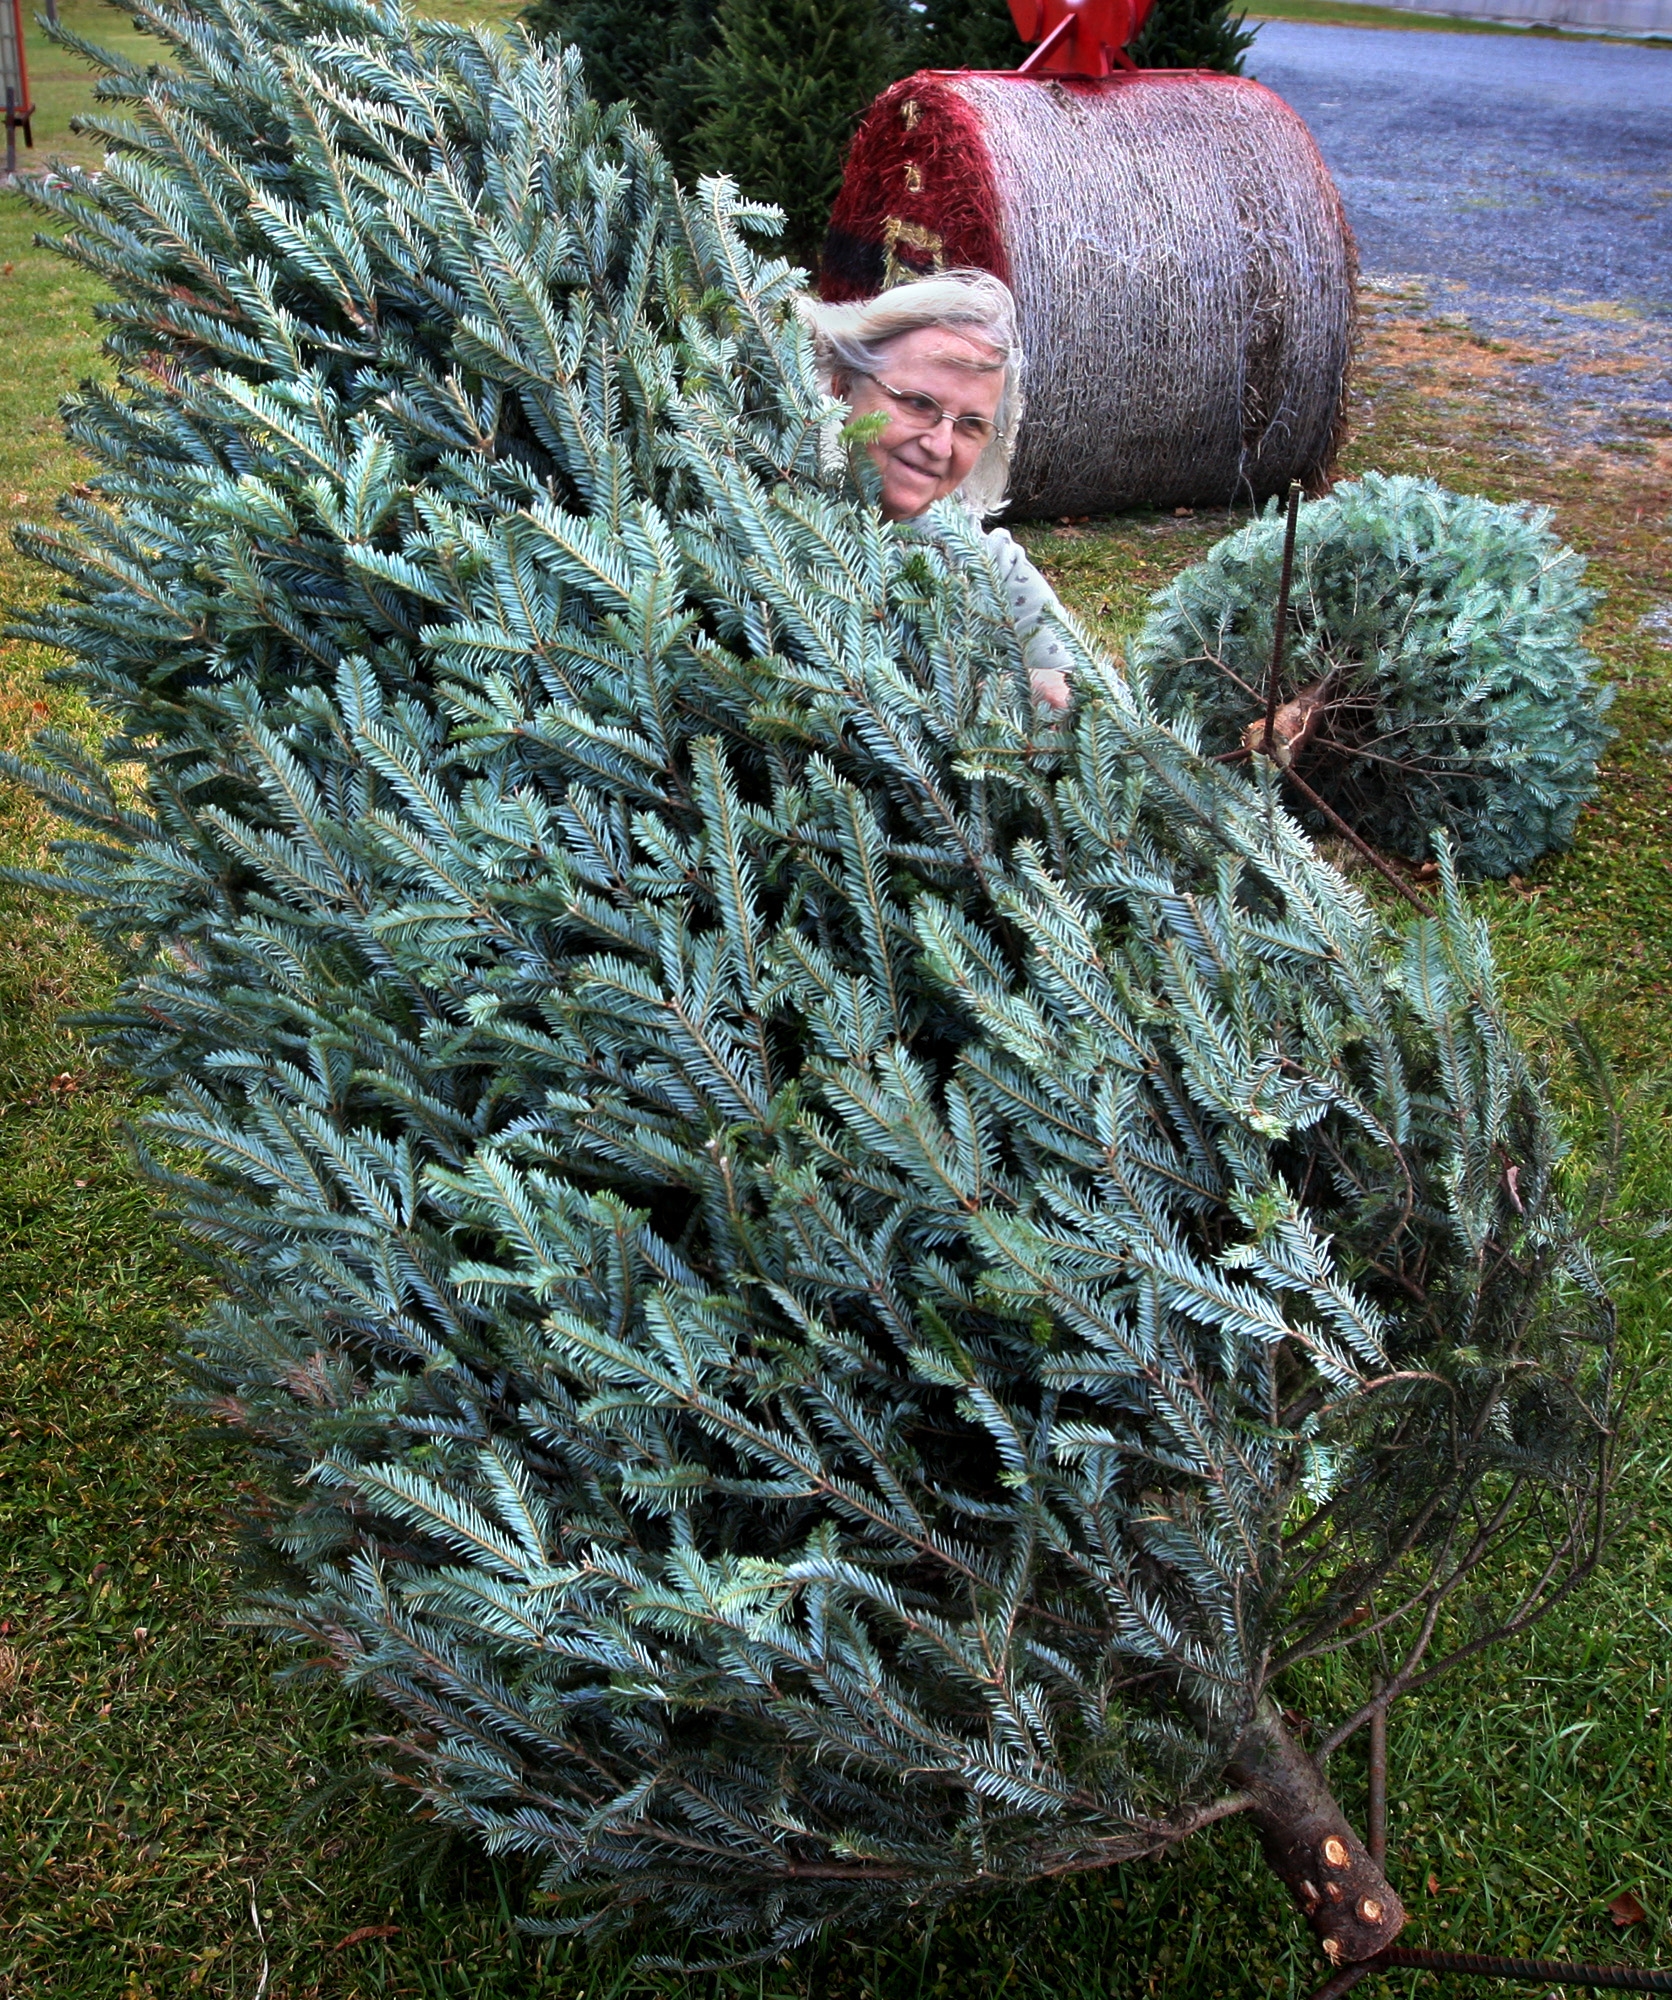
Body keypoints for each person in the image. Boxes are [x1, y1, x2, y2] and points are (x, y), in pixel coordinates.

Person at [800, 271, 1072, 713]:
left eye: (971, 425)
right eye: (918, 403)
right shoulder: (760, 519)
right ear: (842, 386)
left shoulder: (994, 570)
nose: (940, 445)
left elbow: (1096, 709)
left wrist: (1047, 692)